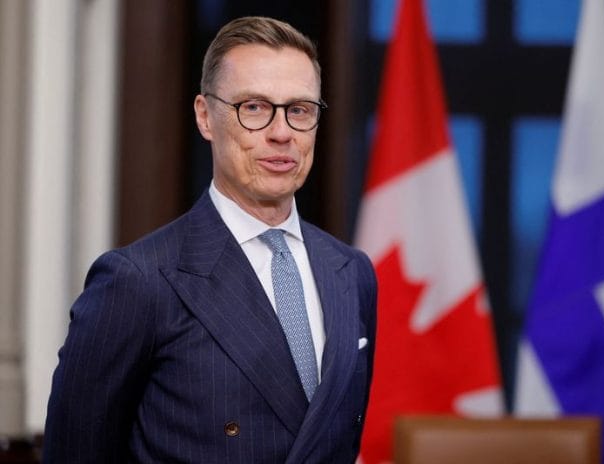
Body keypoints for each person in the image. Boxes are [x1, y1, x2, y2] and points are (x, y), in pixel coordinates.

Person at [42, 16, 377, 463]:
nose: (282, 132)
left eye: (299, 109)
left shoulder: (351, 272)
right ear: (205, 117)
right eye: (254, 107)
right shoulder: (138, 280)